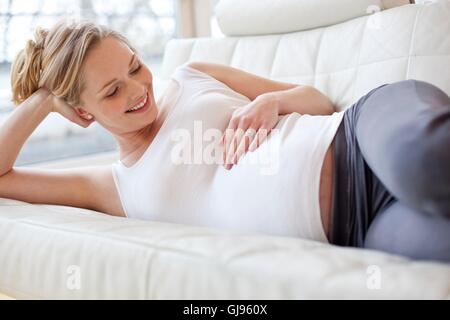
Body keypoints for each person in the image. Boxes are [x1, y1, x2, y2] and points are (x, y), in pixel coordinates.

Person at [0, 20, 448, 262]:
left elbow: (317, 100)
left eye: (135, 67)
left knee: (425, 163)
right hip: (359, 226)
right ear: (82, 112)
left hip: (359, 132)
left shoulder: (193, 75)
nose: (138, 90)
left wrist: (272, 102)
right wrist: (42, 100)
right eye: (112, 91)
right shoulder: (110, 186)